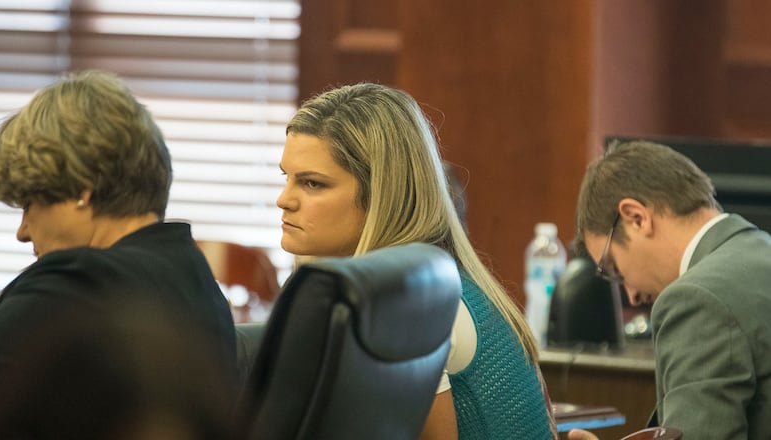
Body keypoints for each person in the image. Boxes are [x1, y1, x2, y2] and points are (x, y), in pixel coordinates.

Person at [275, 83, 556, 440]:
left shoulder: (409, 302)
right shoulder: (430, 279)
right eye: (286, 178)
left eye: (313, 184)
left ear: (381, 194)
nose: (284, 200)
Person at [0, 70, 238, 434]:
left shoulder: (74, 283)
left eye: (29, 204)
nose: (22, 232)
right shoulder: (198, 282)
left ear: (81, 190)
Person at [569, 140, 771, 440]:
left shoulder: (696, 298)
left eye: (613, 268)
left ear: (636, 218)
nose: (631, 295)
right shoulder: (761, 249)